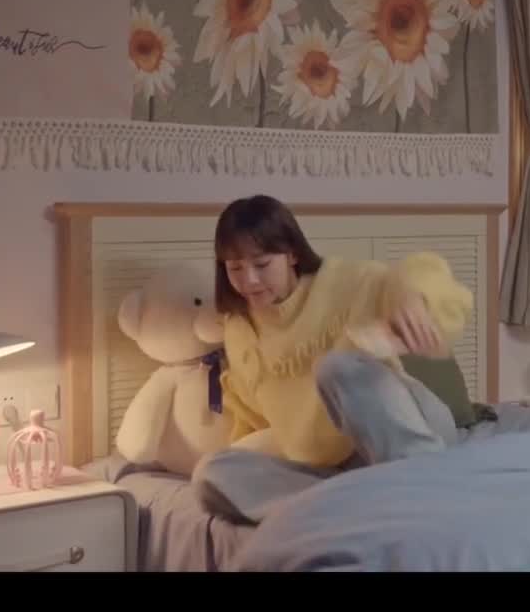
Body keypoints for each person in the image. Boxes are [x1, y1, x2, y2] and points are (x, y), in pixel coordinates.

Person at [192, 195, 475, 523]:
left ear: (292, 254)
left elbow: (413, 273)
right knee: (211, 472)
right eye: (235, 268)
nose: (249, 280)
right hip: (331, 470)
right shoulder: (238, 330)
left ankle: (427, 484)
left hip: (401, 434)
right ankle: (358, 500)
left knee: (335, 367)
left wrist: (412, 296)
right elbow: (252, 418)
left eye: (262, 264)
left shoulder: (343, 282)